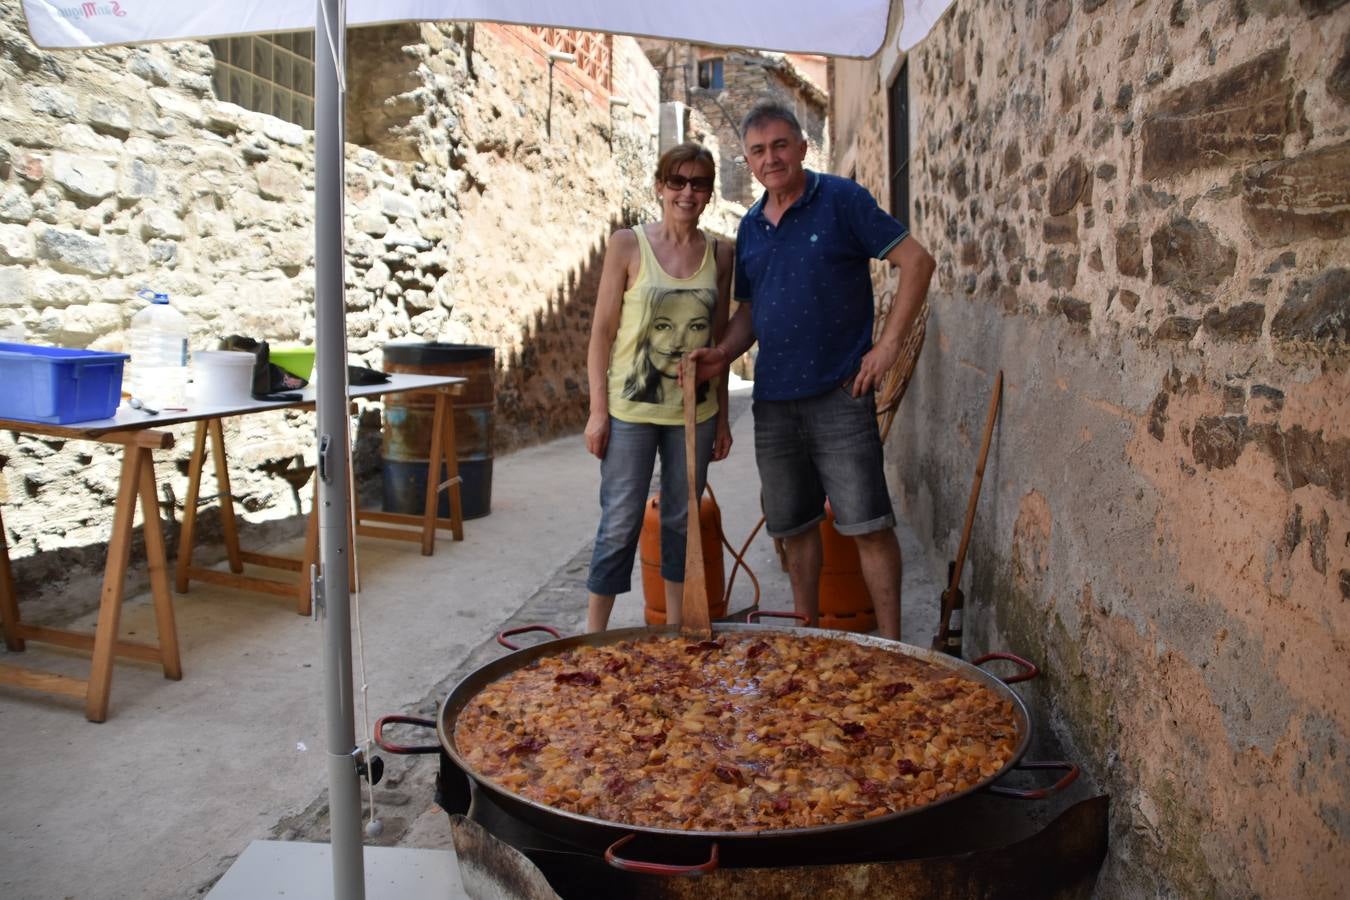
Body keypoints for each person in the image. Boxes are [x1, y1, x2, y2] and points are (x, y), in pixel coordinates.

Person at [687, 101, 935, 641]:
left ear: (802, 147)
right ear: (748, 163)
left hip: (841, 394)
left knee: (867, 525)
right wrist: (721, 355)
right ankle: (808, 640)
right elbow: (750, 312)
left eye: (780, 145)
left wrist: (887, 347)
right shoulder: (750, 227)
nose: (771, 158)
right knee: (794, 530)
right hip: (774, 403)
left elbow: (917, 261)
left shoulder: (842, 200)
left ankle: (892, 647)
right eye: (758, 151)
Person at [584, 142, 734, 632]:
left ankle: (673, 631)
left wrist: (724, 417)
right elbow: (602, 333)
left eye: (699, 183)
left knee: (680, 522)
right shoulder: (627, 245)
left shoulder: (721, 253)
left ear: (710, 193)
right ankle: (593, 635)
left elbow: (718, 342)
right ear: (660, 187)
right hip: (630, 411)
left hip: (694, 412)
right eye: (678, 181)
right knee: (620, 521)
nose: (687, 192)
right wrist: (598, 411)